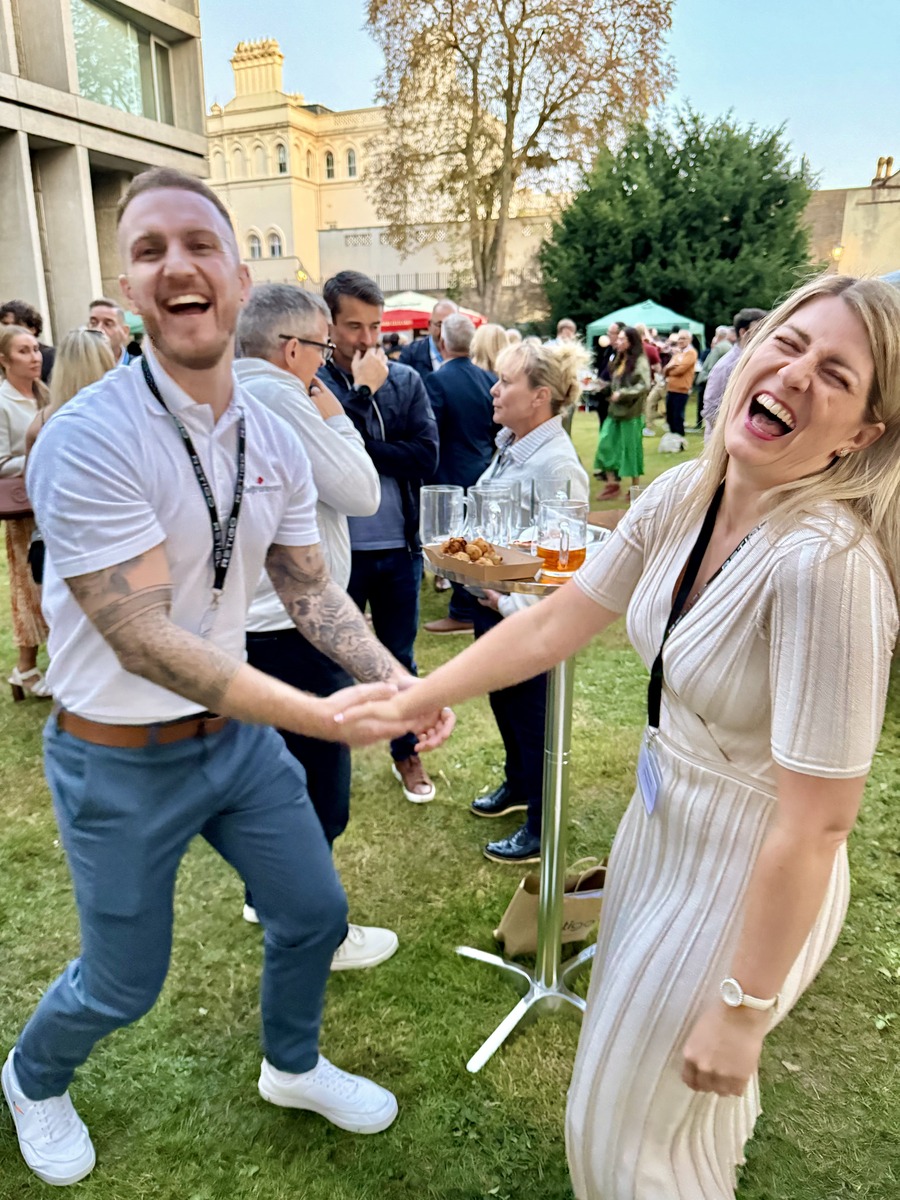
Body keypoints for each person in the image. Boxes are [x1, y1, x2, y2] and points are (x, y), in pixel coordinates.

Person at [335, 273, 900, 1199]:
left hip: (749, 872)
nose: (797, 375)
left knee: (619, 1143)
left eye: (836, 375)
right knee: (661, 1121)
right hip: (660, 832)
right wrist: (416, 696)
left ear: (861, 435)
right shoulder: (688, 493)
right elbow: (557, 622)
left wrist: (744, 1008)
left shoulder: (828, 566)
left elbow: (818, 825)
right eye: (791, 344)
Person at [1, 167, 454, 1188]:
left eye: (200, 244)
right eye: (150, 249)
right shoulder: (88, 436)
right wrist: (317, 715)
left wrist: (397, 683)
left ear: (240, 279)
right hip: (118, 758)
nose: (178, 265)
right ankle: (31, 1078)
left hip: (235, 748)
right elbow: (143, 636)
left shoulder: (272, 432)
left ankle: (291, 1065)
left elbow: (309, 588)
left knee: (314, 913)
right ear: (130, 287)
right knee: (122, 983)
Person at [234, 283, 396, 968]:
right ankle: (316, 932)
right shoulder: (279, 398)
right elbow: (361, 492)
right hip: (293, 627)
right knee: (316, 790)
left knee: (269, 776)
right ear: (293, 348)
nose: (329, 363)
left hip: (251, 622)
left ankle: (264, 895)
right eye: (326, 348)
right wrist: (338, 413)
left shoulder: (227, 393)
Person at [460, 337, 589, 863]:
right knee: (506, 704)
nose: (493, 390)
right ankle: (518, 786)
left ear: (540, 396)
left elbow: (563, 567)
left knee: (534, 720)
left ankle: (542, 825)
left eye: (505, 381)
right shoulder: (513, 446)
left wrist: (508, 607)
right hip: (496, 608)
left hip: (524, 621)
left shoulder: (556, 466)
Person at [318, 271, 440, 804]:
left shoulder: (407, 381)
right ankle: (327, 760)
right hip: (335, 553)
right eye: (353, 326)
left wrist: (361, 451)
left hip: (397, 546)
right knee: (329, 661)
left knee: (399, 658)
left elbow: (426, 456)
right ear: (328, 326)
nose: (367, 339)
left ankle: (405, 751)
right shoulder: (312, 384)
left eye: (374, 326)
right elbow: (321, 454)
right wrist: (362, 394)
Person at [422, 312, 499, 635]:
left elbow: (430, 431)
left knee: (453, 541)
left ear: (442, 342)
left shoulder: (437, 381)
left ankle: (463, 609)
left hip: (449, 471)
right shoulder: (488, 379)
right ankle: (467, 603)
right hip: (482, 467)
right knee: (473, 538)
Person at [0, 324, 51, 699]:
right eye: (23, 351)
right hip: (22, 507)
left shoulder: (44, 392)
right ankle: (25, 668)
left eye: (35, 349)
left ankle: (31, 667)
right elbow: (2, 462)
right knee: (28, 586)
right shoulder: (2, 403)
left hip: (50, 500)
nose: (34, 357)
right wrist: (39, 452)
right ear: (4, 360)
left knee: (47, 584)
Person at [594, 326, 650, 500]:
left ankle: (634, 489)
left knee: (631, 449)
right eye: (617, 338)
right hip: (614, 411)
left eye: (621, 339)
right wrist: (601, 386)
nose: (617, 342)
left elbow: (644, 385)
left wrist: (623, 394)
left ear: (631, 342)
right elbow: (615, 383)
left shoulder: (640, 360)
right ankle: (612, 484)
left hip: (631, 413)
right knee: (605, 444)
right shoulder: (619, 359)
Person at [703, 308, 767, 439]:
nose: (765, 334)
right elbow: (710, 407)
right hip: (724, 439)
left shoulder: (760, 361)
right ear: (743, 332)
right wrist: (730, 433)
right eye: (759, 329)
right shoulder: (725, 366)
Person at [398, 298, 458, 379]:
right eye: (440, 325)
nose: (445, 331)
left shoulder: (465, 355)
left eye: (451, 325)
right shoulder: (411, 354)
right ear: (429, 325)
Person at [0, 300, 55, 382]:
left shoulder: (50, 357)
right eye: (5, 325)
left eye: (16, 325)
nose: (10, 330)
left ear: (33, 329)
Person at [661, 328, 698, 445]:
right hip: (671, 388)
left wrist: (670, 369)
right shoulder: (678, 354)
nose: (680, 341)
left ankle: (680, 439)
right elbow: (665, 370)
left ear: (689, 340)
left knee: (677, 415)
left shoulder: (691, 353)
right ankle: (673, 438)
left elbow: (681, 370)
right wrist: (670, 368)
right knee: (670, 415)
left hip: (682, 389)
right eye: (679, 338)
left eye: (683, 338)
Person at [87, 298, 135, 366]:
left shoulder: (139, 367)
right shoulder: (78, 366)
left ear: (125, 332)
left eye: (108, 324)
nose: (98, 329)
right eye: (93, 323)